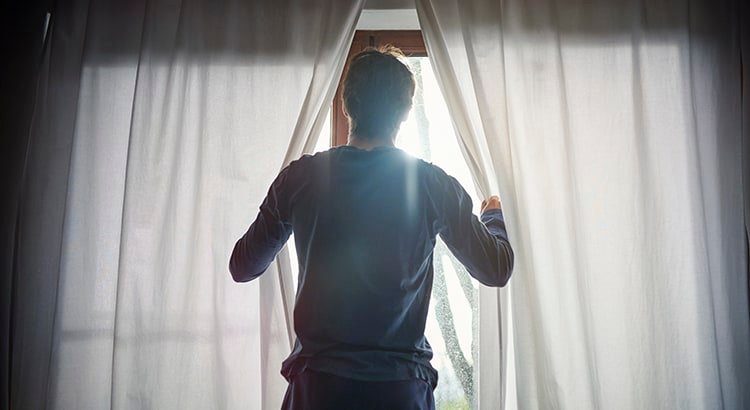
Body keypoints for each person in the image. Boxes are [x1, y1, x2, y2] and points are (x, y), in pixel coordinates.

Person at [229, 46, 514, 410]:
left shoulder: (300, 178)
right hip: (399, 390)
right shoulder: (432, 184)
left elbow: (243, 266)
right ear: (406, 112)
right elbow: (496, 269)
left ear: (346, 105)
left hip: (319, 390)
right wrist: (494, 216)